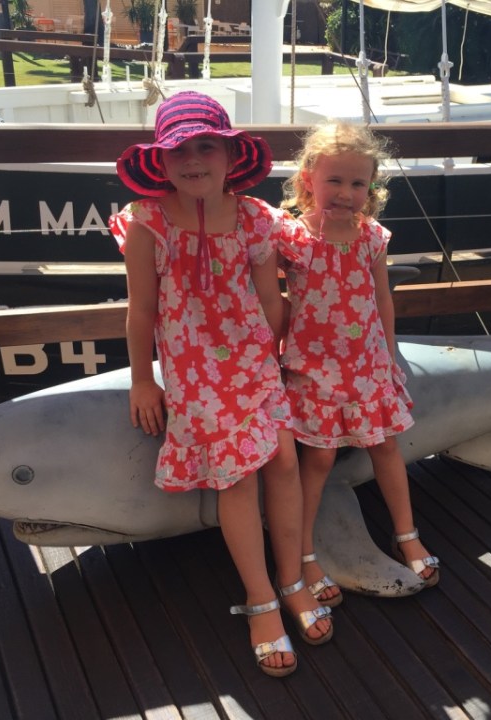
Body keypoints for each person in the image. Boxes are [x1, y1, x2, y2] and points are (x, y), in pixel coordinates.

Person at [108, 92, 331, 678]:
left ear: (231, 155)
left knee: (284, 460)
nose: (192, 159)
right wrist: (142, 380)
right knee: (236, 478)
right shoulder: (148, 222)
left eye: (206, 146)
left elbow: (269, 299)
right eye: (177, 150)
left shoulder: (255, 218)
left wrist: (282, 358)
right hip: (195, 371)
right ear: (160, 161)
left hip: (257, 362)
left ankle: (292, 579)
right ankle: (261, 600)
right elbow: (141, 310)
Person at [279, 122, 440, 608]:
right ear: (308, 178)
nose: (346, 193)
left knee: (385, 445)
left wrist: (389, 354)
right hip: (314, 368)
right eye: (334, 180)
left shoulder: (371, 237)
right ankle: (305, 553)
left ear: (371, 188)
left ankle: (406, 533)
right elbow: (266, 293)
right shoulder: (291, 237)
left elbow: (382, 297)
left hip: (367, 364)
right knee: (319, 458)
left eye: (357, 183)